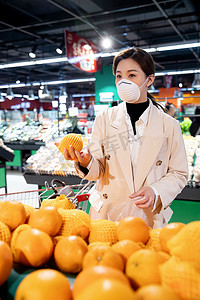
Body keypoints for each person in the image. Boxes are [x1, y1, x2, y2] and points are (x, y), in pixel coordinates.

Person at [63, 47, 188, 228]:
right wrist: (87, 161)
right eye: (119, 76)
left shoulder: (169, 126)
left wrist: (156, 191)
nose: (123, 82)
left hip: (147, 216)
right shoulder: (104, 119)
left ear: (149, 79)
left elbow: (179, 173)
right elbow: (98, 170)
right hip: (106, 214)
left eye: (132, 75)